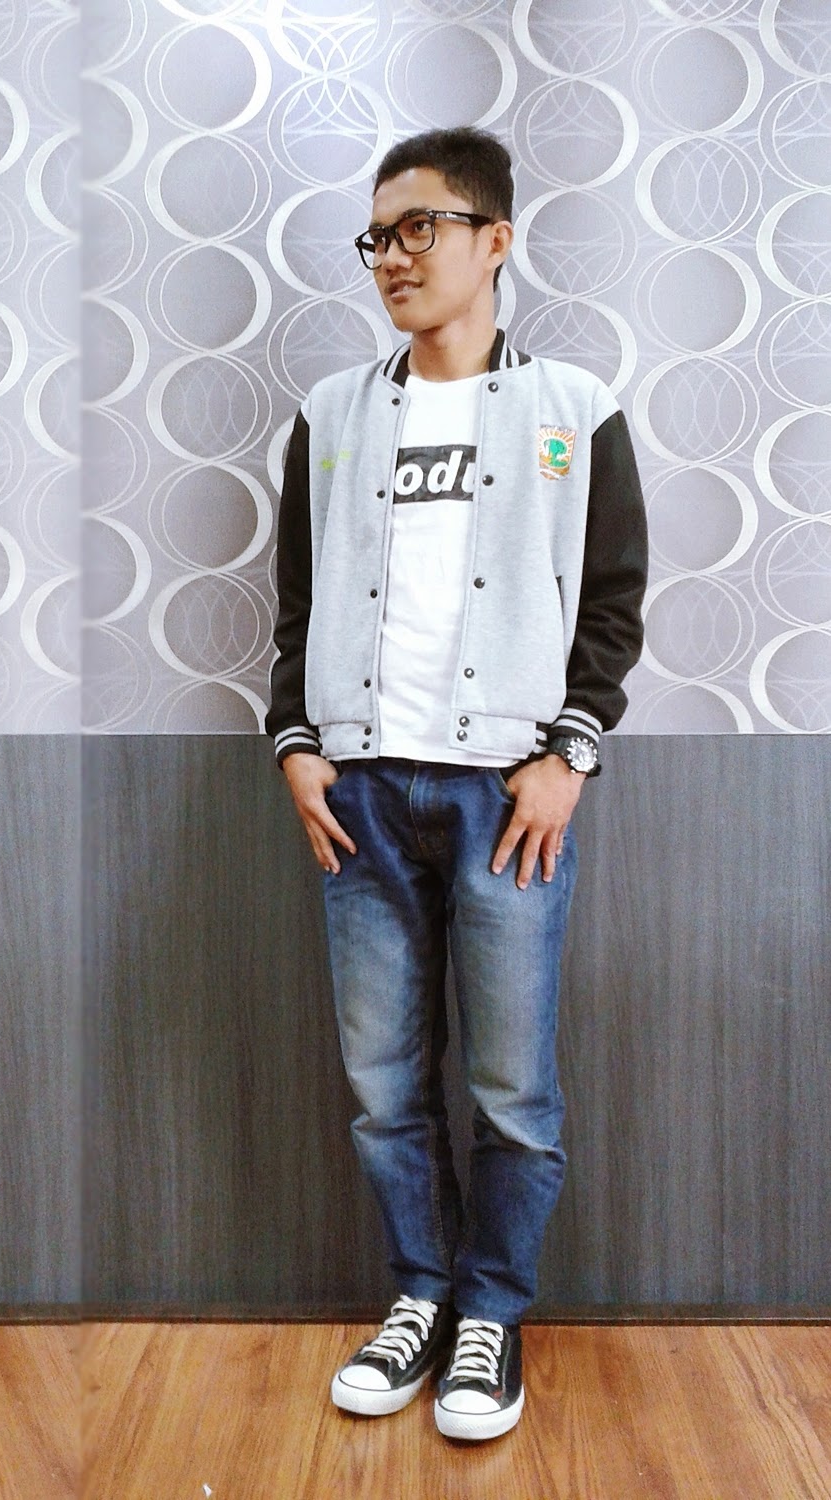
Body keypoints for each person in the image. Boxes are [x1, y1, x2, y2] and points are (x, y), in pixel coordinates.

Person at [267, 127, 646, 1442]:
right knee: (384, 1085)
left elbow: (612, 604)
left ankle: (491, 1314)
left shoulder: (573, 411)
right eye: (378, 236)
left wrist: (568, 756)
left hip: (505, 802)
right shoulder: (331, 416)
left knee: (510, 1091)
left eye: (420, 228)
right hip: (361, 796)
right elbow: (297, 603)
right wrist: (297, 743)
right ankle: (420, 1296)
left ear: (496, 240)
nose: (394, 257)